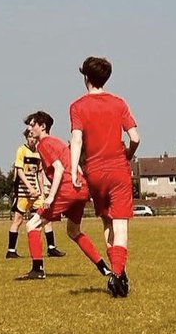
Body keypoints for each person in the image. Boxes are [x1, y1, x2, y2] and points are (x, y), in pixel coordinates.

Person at [68, 57, 140, 299]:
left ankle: (118, 275)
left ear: (86, 78)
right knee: (121, 225)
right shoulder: (119, 103)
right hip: (119, 169)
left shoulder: (77, 106)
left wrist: (73, 169)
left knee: (107, 224)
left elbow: (76, 140)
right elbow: (136, 137)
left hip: (95, 171)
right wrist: (128, 154)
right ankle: (117, 274)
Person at [21, 112, 111, 282]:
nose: (29, 129)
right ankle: (103, 267)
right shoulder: (59, 142)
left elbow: (59, 169)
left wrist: (50, 197)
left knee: (32, 224)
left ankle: (37, 269)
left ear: (43, 127)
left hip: (67, 189)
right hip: (80, 188)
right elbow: (75, 165)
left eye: (32, 125)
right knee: (73, 231)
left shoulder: (44, 144)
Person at [6, 129, 64, 260]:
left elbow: (39, 173)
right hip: (23, 191)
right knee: (18, 220)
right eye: (30, 137)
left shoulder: (39, 152)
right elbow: (19, 171)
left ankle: (51, 247)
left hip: (36, 193)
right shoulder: (21, 150)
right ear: (26, 138)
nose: (32, 139)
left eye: (33, 137)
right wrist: (29, 187)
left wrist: (42, 192)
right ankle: (11, 250)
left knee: (45, 217)